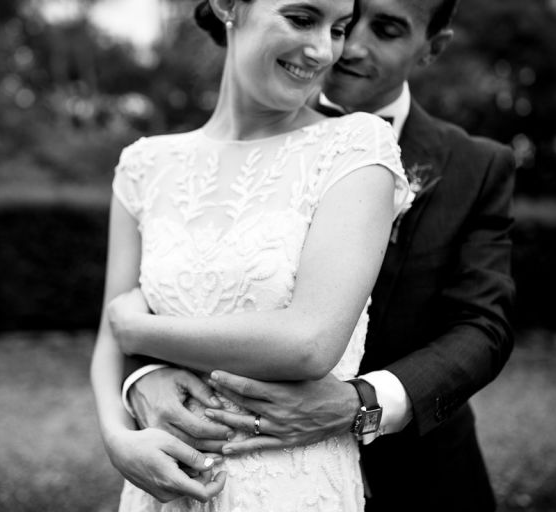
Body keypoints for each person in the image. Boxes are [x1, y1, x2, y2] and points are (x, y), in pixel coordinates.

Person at [122, 0, 517, 511]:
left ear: (431, 49)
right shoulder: (237, 138)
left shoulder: (476, 165)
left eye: (387, 29)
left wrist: (363, 403)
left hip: (418, 474)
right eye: (347, 23)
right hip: (226, 472)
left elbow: (484, 326)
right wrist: (141, 376)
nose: (348, 46)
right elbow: (182, 281)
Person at [91, 0, 412, 510]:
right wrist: (118, 438)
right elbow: (107, 345)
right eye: (303, 18)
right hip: (161, 489)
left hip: (296, 489)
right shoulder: (144, 165)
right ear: (228, 6)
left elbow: (309, 342)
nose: (323, 49)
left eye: (339, 28)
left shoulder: (356, 146)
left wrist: (139, 331)